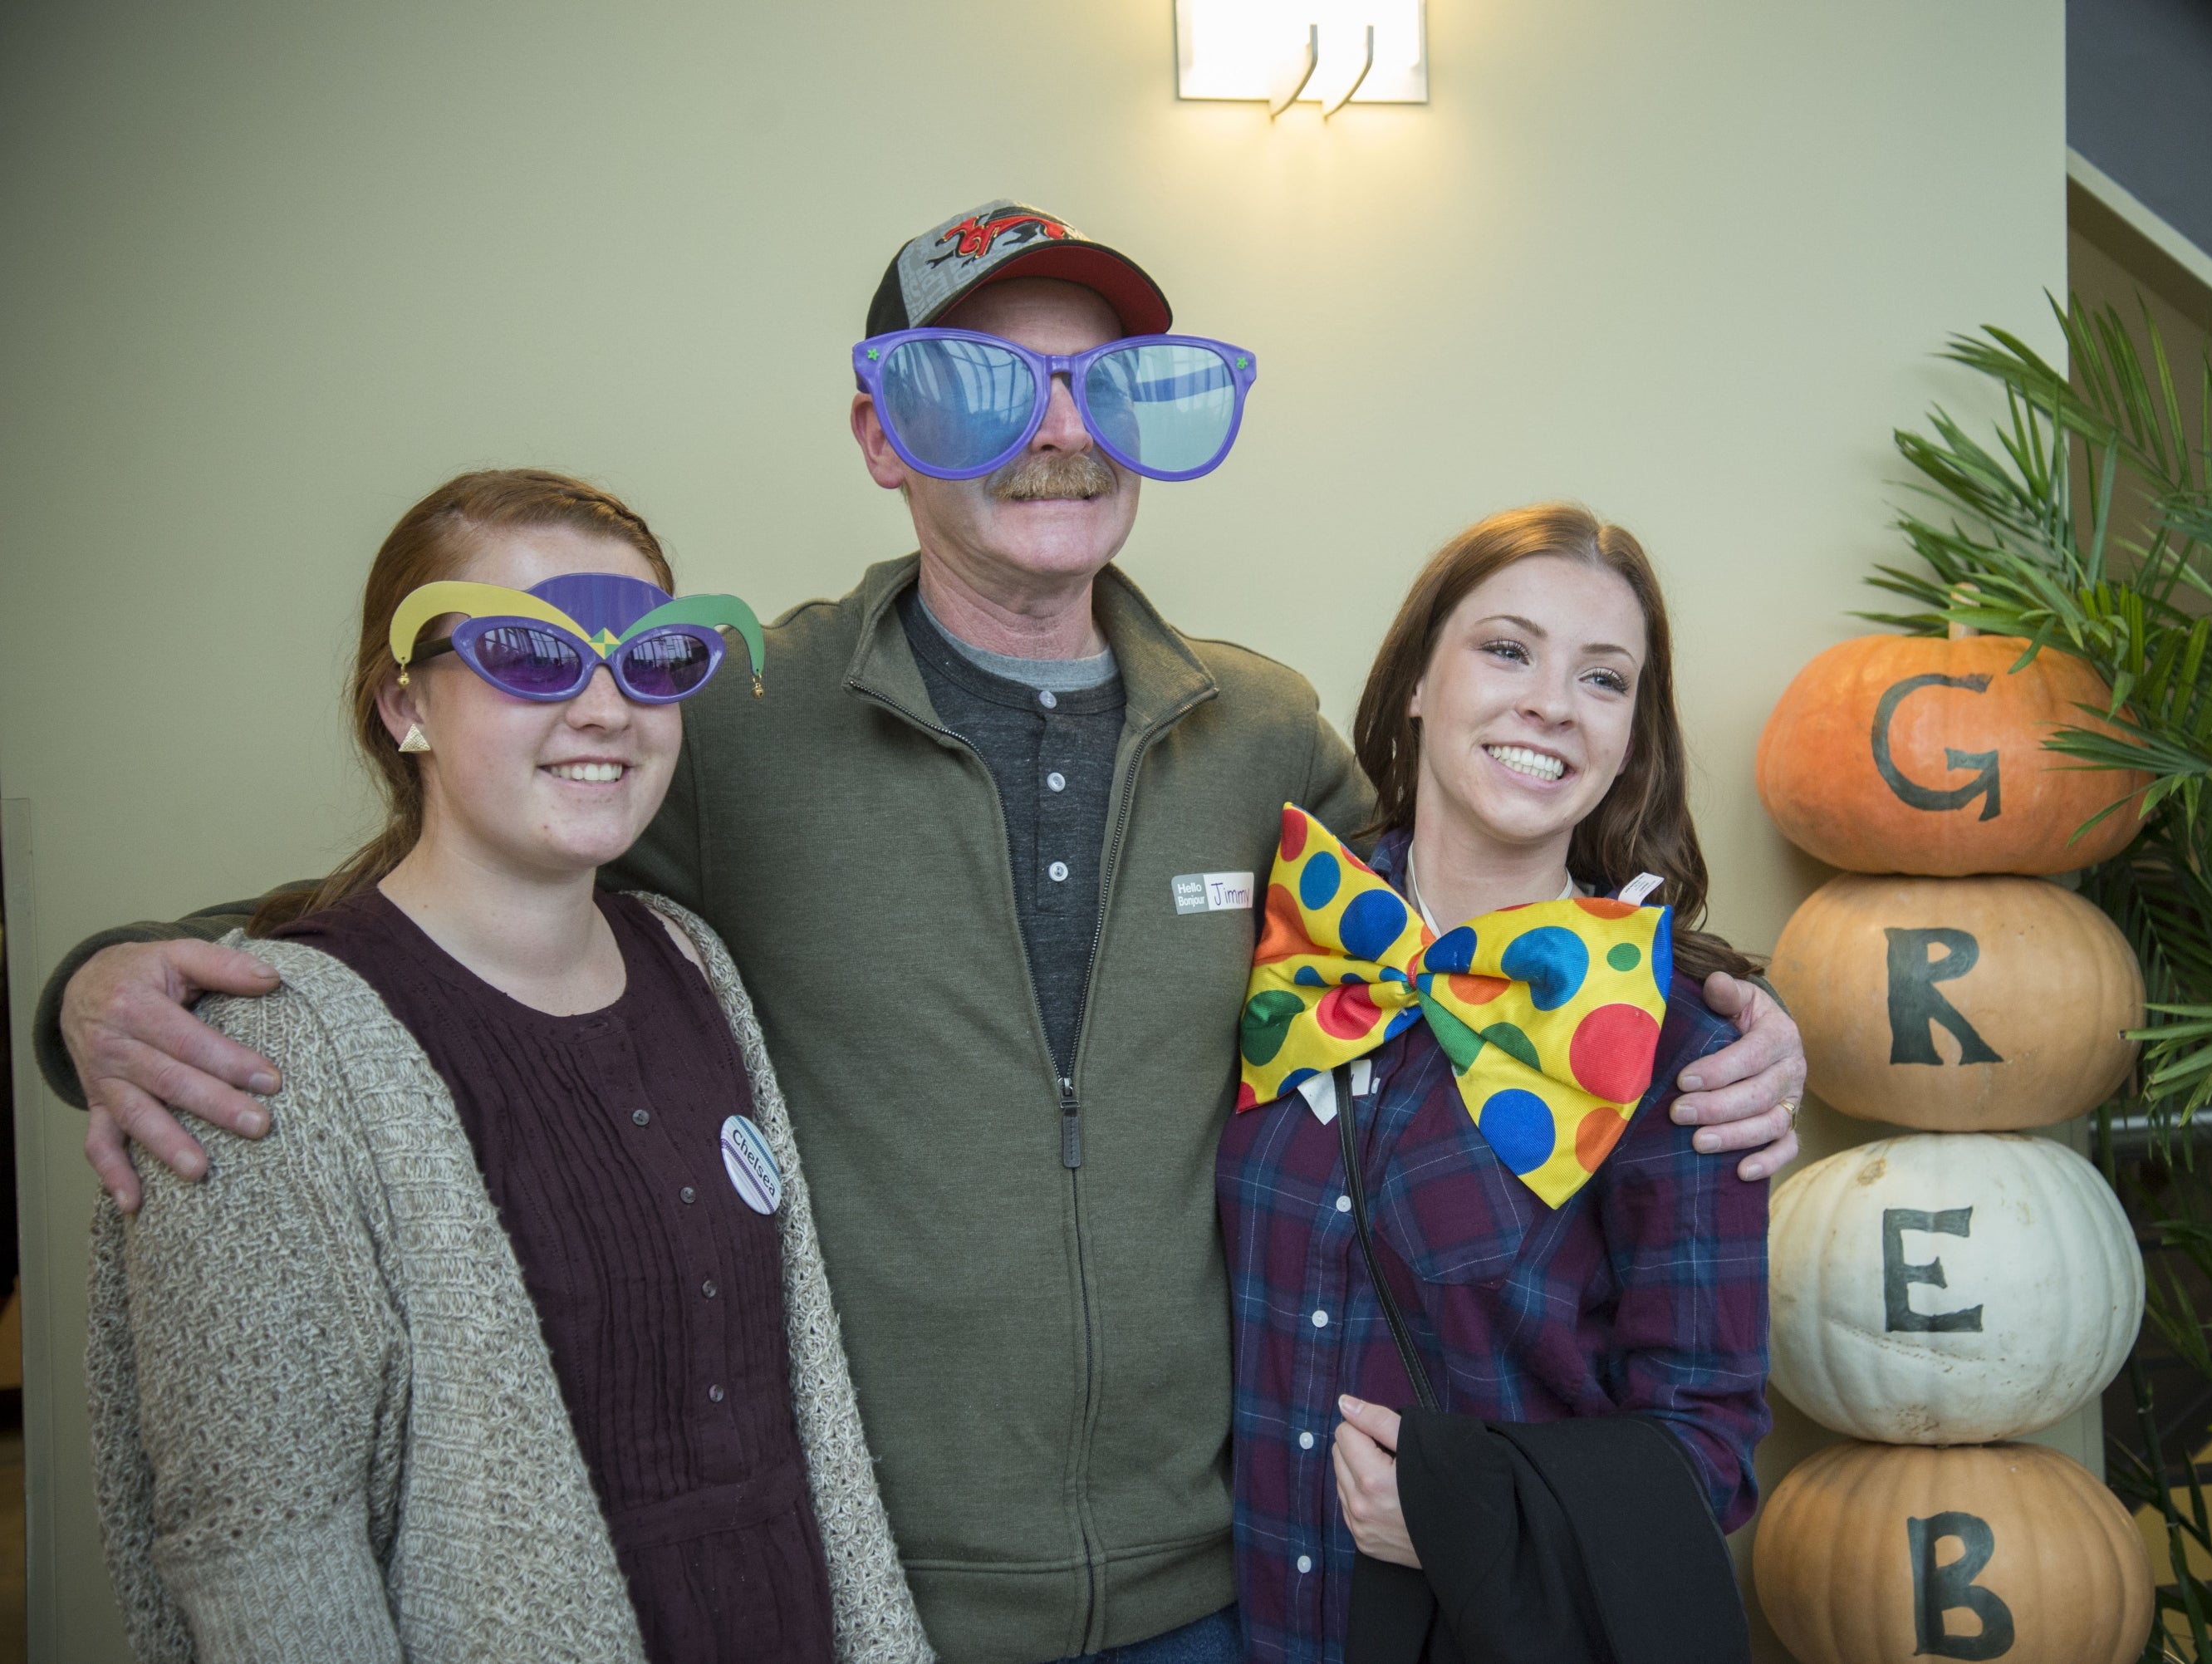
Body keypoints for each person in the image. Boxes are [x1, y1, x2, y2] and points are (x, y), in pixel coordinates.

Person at [42, 203, 1804, 1664]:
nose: (1055, 431)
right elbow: (477, 871)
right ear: (884, 433)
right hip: (882, 1593)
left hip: (1238, 1585)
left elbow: (1465, 930)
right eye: (982, 382)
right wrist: (103, 981)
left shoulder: (1261, 735)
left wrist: (1719, 1000)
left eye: (1097, 387)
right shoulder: (734, 717)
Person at [86, 470, 929, 1664]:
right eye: (533, 656)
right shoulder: (259, 1050)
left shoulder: (695, 964)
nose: (605, 708)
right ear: (402, 704)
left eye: (651, 660)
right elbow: (261, 1548)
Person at [1220, 506, 1768, 1664]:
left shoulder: (1682, 1049)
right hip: (1233, 1628)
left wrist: (1470, 1520)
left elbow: (1708, 1447)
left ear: (1631, 735)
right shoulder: (1281, 931)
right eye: (1507, 650)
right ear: (1418, 679)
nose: (1552, 705)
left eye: (1605, 679)